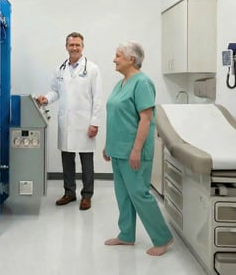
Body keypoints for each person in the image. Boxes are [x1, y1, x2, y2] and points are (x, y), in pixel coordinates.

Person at [102, 40, 173, 256]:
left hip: (134, 151)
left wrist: (136, 150)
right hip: (117, 149)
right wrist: (108, 144)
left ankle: (162, 238)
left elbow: (146, 119)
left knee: (140, 194)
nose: (114, 59)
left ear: (132, 59)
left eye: (118, 55)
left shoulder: (143, 83)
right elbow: (116, 116)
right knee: (123, 195)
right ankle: (126, 235)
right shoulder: (121, 83)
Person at [37, 32, 102, 211]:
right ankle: (69, 192)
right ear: (66, 47)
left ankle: (87, 195)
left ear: (82, 47)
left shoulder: (92, 69)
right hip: (66, 122)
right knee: (67, 159)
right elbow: (55, 91)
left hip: (85, 122)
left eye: (78, 45)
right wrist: (46, 99)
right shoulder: (60, 69)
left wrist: (95, 122)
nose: (74, 48)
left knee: (86, 161)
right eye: (71, 45)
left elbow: (97, 98)